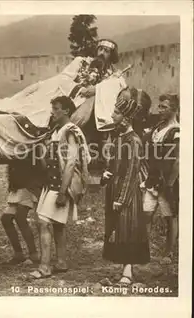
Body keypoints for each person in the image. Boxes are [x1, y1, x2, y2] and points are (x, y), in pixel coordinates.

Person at [29, 96, 91, 279]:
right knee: (57, 225)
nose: (52, 112)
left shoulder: (71, 131)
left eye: (56, 108)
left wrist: (63, 192)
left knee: (44, 221)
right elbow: (48, 162)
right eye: (52, 108)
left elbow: (71, 163)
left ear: (65, 111)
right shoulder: (56, 132)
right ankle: (61, 262)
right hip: (52, 184)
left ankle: (45, 267)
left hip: (61, 185)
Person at [101, 87, 151, 286]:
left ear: (126, 118)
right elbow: (116, 164)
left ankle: (128, 271)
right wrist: (107, 172)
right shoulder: (119, 137)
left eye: (116, 112)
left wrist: (122, 199)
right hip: (115, 188)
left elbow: (131, 173)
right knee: (117, 229)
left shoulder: (134, 141)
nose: (112, 115)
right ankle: (123, 267)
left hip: (127, 194)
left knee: (128, 229)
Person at [141, 93, 179, 265]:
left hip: (166, 182)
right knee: (146, 214)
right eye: (160, 106)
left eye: (164, 107)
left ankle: (169, 252)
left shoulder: (176, 131)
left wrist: (170, 184)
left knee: (169, 217)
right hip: (152, 179)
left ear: (174, 109)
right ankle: (143, 250)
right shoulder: (157, 127)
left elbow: (178, 161)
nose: (160, 109)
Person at [1, 156, 42, 265]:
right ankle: (18, 254)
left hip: (28, 185)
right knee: (6, 219)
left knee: (20, 217)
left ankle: (33, 254)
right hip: (17, 186)